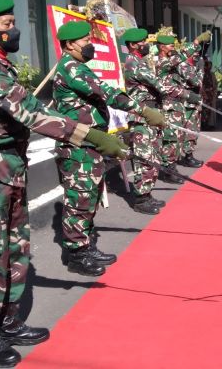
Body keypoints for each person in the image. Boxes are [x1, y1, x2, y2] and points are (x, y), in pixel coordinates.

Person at [0, 0, 127, 367]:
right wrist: (89, 136)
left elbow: (32, 107)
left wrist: (89, 134)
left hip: (9, 170)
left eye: (13, 22)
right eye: (6, 25)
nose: (13, 30)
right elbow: (30, 114)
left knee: (16, 248)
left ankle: (9, 322)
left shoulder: (0, 64)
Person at [52, 21, 164, 276]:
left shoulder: (79, 66)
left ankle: (85, 245)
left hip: (90, 141)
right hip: (77, 144)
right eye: (84, 41)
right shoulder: (70, 68)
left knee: (89, 197)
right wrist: (143, 111)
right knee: (79, 198)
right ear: (69, 44)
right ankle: (77, 255)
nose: (89, 45)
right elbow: (107, 93)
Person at [121, 27, 171, 214]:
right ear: (133, 45)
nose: (146, 45)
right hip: (141, 117)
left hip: (150, 115)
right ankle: (140, 200)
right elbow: (159, 85)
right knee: (144, 158)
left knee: (153, 156)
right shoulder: (133, 63)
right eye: (142, 42)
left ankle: (147, 193)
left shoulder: (140, 62)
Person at [154, 33, 208, 182]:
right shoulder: (162, 62)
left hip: (176, 105)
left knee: (176, 139)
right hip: (168, 105)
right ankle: (168, 171)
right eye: (171, 45)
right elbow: (182, 55)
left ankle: (171, 168)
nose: (173, 48)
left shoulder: (170, 62)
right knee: (170, 139)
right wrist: (196, 41)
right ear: (162, 47)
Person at [178, 49, 205, 168]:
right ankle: (188, 156)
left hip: (194, 103)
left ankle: (188, 155)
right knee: (189, 129)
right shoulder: (184, 66)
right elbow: (196, 82)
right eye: (194, 53)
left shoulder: (192, 66)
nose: (197, 55)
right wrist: (201, 69)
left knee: (193, 130)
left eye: (198, 53)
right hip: (187, 104)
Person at [201, 59, 218, 130]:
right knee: (204, 110)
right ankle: (204, 124)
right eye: (208, 65)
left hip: (211, 94)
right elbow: (201, 84)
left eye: (210, 66)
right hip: (204, 94)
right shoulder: (202, 73)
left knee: (211, 110)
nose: (209, 67)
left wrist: (215, 92)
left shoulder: (212, 74)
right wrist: (204, 93)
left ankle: (210, 124)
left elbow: (215, 84)